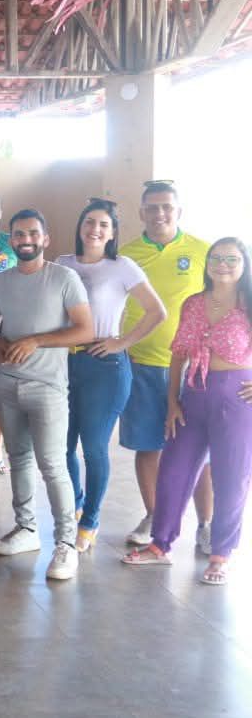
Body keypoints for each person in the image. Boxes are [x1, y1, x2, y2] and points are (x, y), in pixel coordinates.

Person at [121, 238, 252, 586]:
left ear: (244, 265)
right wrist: (172, 402)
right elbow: (179, 353)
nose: (223, 264)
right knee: (174, 471)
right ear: (206, 263)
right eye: (216, 257)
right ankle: (160, 544)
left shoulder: (249, 303)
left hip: (238, 399)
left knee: (231, 478)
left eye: (232, 259)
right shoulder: (194, 303)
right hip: (193, 395)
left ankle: (221, 554)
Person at [0, 209, 93, 580]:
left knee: (53, 465)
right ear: (10, 239)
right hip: (6, 383)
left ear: (45, 238)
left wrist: (36, 341)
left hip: (47, 387)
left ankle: (66, 543)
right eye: (18, 234)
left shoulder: (63, 277)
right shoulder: (1, 280)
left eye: (32, 233)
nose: (25, 239)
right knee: (19, 458)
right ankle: (26, 528)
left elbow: (85, 330)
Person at [56, 200, 165, 551]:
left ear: (113, 232)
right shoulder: (62, 264)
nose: (95, 229)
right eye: (89, 222)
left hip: (105, 367)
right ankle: (75, 506)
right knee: (62, 446)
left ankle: (90, 521)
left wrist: (122, 342)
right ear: (80, 226)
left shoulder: (122, 266)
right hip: (64, 364)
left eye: (104, 224)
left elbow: (156, 311)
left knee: (93, 447)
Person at [118, 181, 213, 551]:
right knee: (148, 445)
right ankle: (154, 517)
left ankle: (206, 525)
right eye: (152, 207)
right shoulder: (126, 255)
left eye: (167, 207)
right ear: (141, 212)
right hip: (142, 365)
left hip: (195, 370)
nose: (160, 213)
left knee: (200, 450)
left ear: (179, 211)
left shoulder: (203, 252)